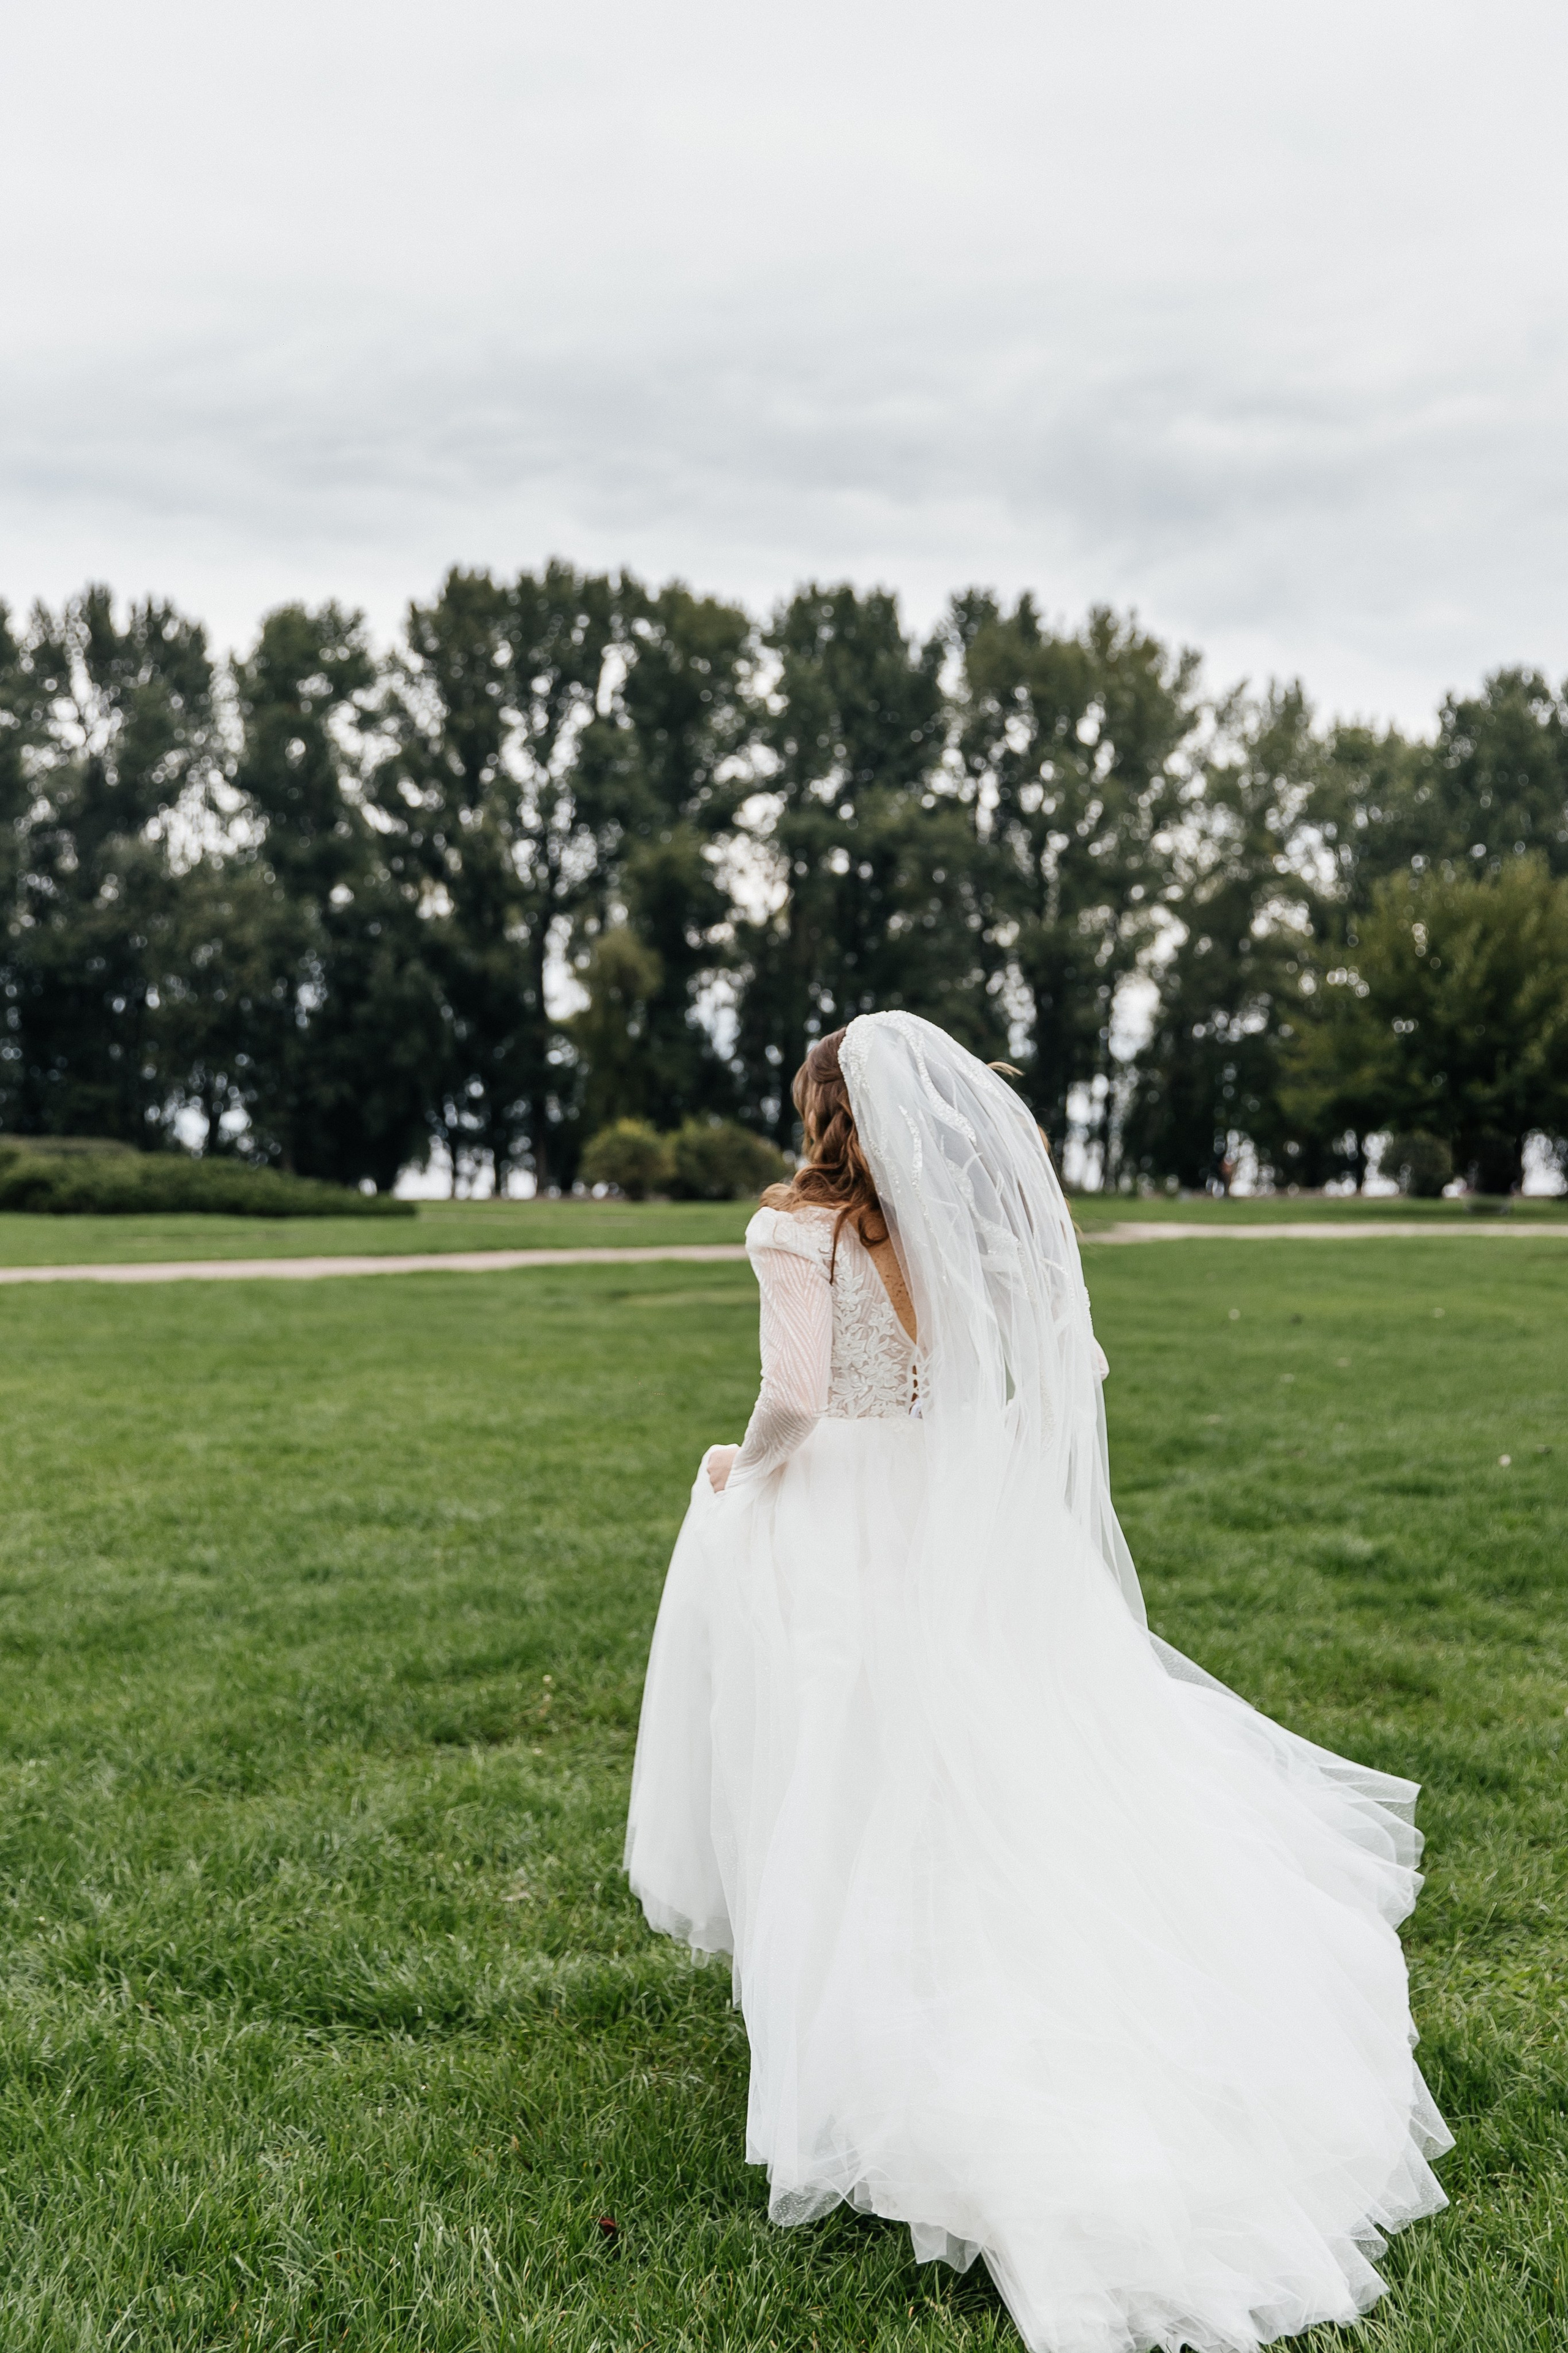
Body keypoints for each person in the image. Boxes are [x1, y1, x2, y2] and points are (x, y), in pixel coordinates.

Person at [625, 1012, 1449, 2353]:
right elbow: (1032, 1376)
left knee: (844, 1764)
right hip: (956, 1520)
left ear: (816, 1110)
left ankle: (877, 2033)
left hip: (843, 1510)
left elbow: (791, 1393)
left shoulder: (793, 1227)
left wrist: (739, 1465)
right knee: (990, 1759)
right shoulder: (954, 1236)